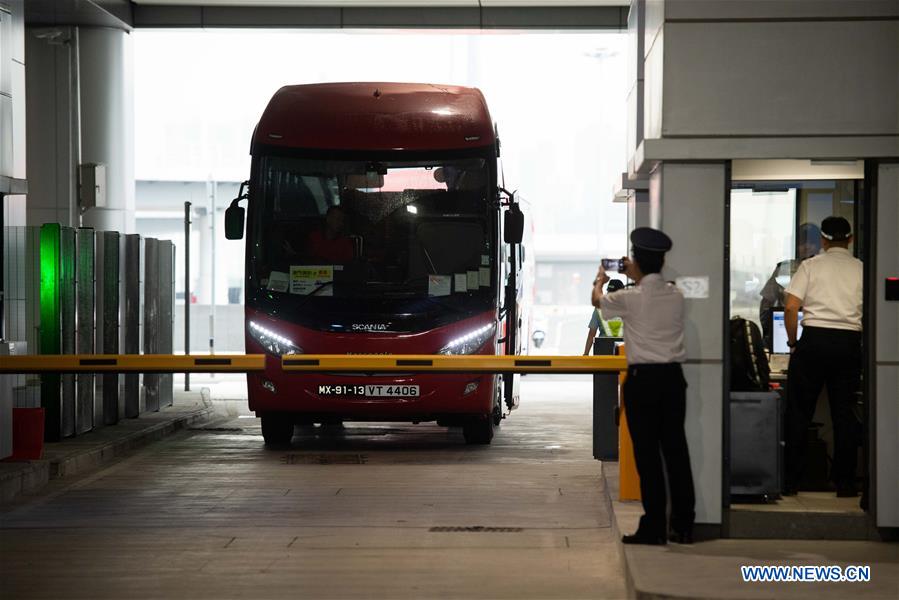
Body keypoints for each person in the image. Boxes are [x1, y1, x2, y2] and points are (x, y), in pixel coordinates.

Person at [592, 228, 695, 545]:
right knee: (677, 452)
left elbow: (597, 301)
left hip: (643, 382)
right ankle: (683, 526)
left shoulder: (628, 298)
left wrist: (600, 277)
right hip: (674, 380)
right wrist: (636, 271)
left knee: (648, 456)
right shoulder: (676, 294)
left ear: (635, 262)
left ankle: (653, 528)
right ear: (663, 262)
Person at [783, 216, 863, 497]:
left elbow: (791, 307)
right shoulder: (862, 269)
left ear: (824, 241)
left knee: (799, 412)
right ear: (850, 239)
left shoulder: (810, 266)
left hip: (814, 341)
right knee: (845, 414)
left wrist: (793, 343)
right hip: (849, 343)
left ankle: (792, 481)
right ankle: (844, 483)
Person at [758, 223, 821, 348]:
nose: (807, 247)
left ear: (820, 245)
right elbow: (766, 303)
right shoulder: (784, 269)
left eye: (812, 243)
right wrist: (769, 332)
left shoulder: (826, 269)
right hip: (785, 330)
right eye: (802, 243)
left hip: (817, 330)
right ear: (796, 245)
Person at [583, 279, 624, 355]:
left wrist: (586, 354)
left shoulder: (599, 308)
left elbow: (592, 333)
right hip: (623, 351)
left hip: (603, 350)